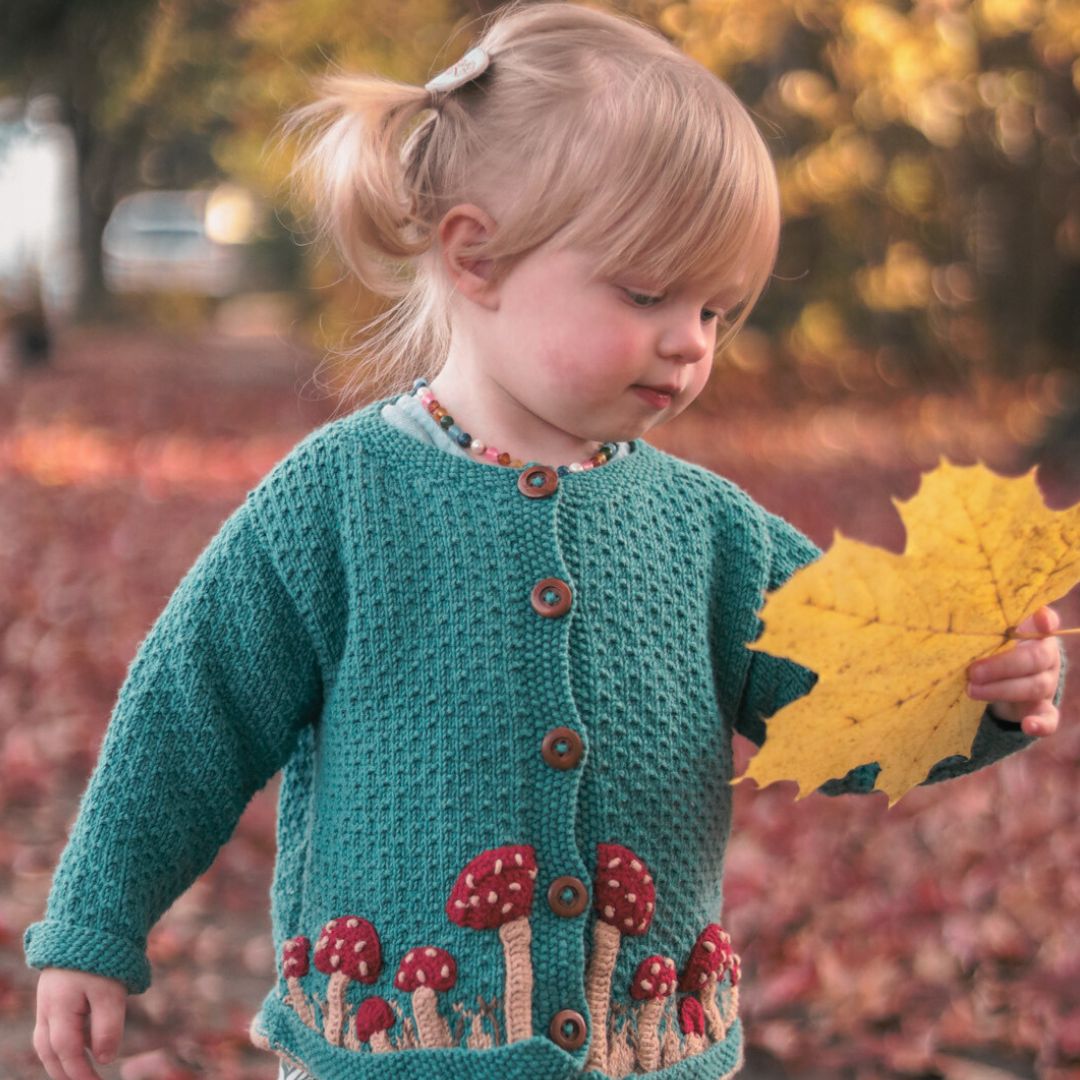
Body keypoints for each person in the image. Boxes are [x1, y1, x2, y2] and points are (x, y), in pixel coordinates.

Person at [25, 3, 1068, 1079]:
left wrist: (977, 692)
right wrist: (95, 926)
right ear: (476, 257)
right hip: (389, 1059)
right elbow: (188, 715)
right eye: (651, 292)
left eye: (720, 311)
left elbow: (851, 705)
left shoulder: (713, 533)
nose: (689, 343)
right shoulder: (337, 504)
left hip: (649, 1056)